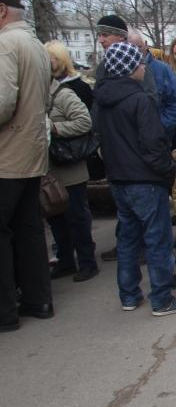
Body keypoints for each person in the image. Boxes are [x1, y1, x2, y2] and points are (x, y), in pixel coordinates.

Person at [93, 41, 176, 316]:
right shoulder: (140, 100)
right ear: (128, 69)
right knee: (157, 239)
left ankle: (129, 295)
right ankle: (162, 298)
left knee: (128, 239)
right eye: (138, 63)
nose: (142, 67)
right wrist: (168, 172)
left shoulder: (102, 102)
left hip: (118, 179)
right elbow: (154, 144)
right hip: (145, 180)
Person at [0, 0, 54, 331]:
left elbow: (3, 103)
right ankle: (39, 299)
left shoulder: (6, 44)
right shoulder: (35, 45)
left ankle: (6, 312)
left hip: (7, 155)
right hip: (32, 151)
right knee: (30, 227)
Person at [43, 43, 99, 283]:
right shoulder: (35, 95)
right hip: (49, 168)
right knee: (55, 216)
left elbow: (84, 123)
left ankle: (87, 261)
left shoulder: (64, 94)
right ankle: (65, 260)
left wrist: (54, 127)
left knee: (76, 216)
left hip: (70, 168)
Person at [126, 29, 176, 141]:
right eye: (131, 48)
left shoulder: (163, 70)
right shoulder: (123, 72)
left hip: (158, 139)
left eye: (138, 46)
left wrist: (159, 128)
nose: (136, 52)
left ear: (145, 44)